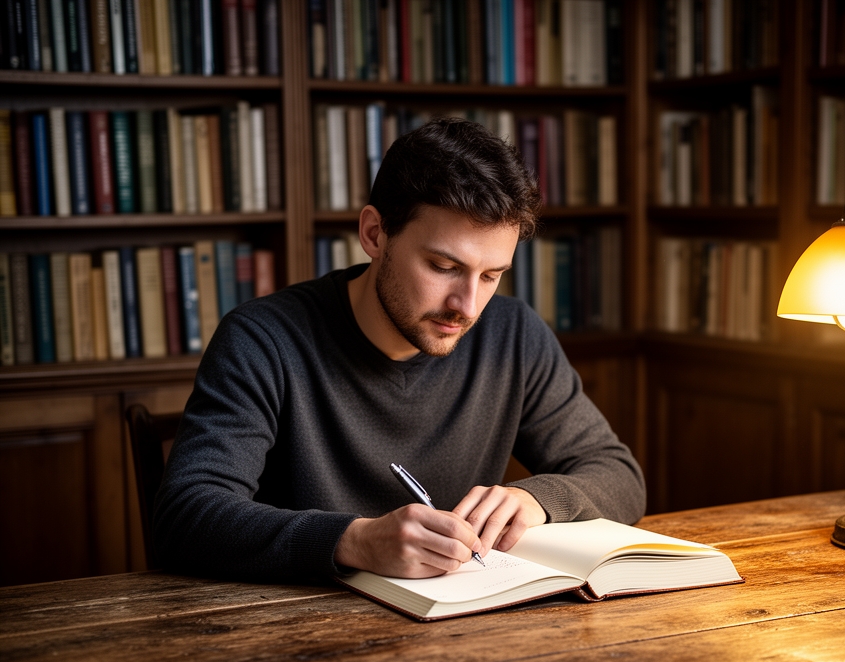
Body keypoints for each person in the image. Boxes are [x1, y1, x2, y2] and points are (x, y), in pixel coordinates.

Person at [154, 117, 645, 583]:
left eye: (491, 276)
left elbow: (619, 475)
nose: (467, 306)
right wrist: (355, 541)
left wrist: (539, 500)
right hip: (294, 626)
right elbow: (186, 515)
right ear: (375, 234)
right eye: (443, 267)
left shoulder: (513, 335)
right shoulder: (263, 339)